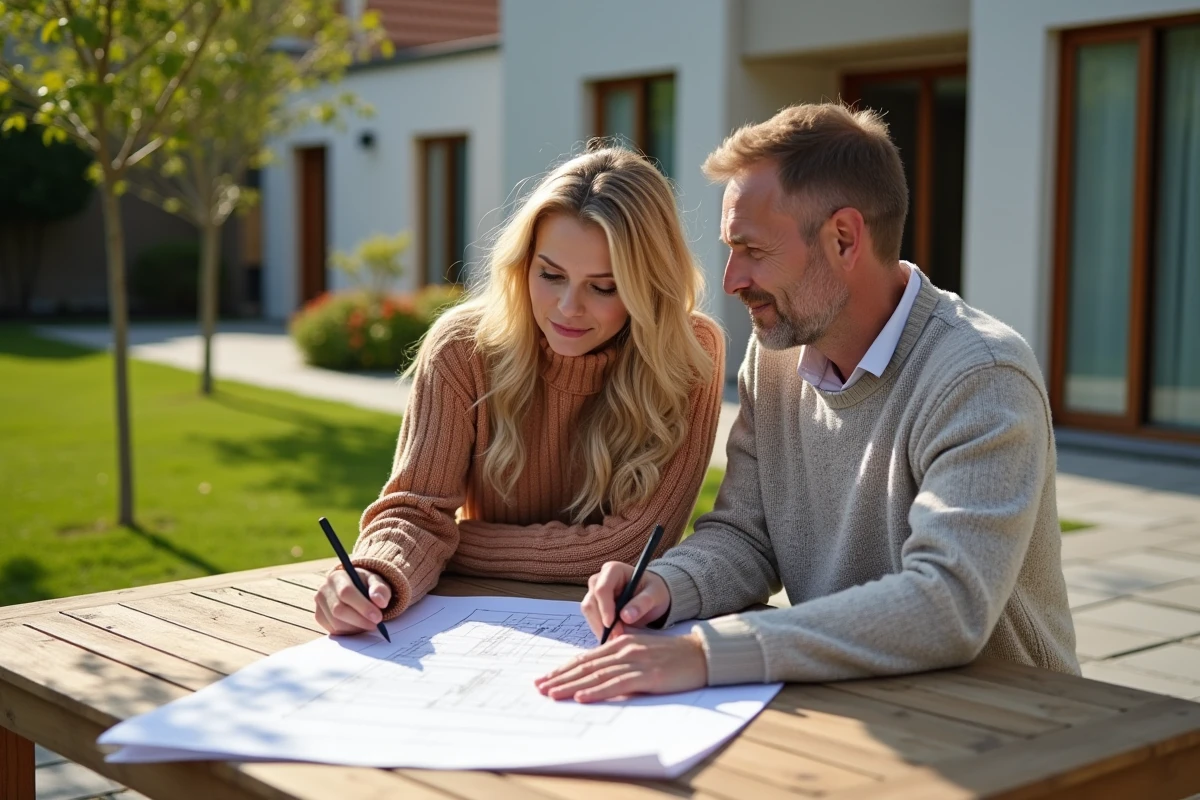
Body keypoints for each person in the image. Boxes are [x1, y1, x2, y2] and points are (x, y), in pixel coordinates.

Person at [536, 103, 1079, 704]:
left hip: (1008, 725)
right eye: (729, 249)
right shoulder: (775, 361)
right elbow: (746, 536)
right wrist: (664, 587)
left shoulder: (981, 374)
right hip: (855, 707)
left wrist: (705, 653)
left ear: (844, 238)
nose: (731, 280)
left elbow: (946, 605)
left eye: (753, 250)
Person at [314, 147, 726, 635]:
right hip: (476, 622)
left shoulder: (690, 353)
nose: (568, 307)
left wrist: (452, 542)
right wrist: (375, 572)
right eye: (550, 275)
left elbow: (636, 548)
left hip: (611, 633)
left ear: (648, 287)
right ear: (522, 265)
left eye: (604, 287)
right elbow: (417, 512)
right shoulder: (463, 348)